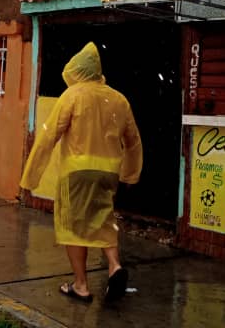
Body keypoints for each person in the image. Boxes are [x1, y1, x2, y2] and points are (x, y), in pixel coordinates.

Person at [20, 42, 143, 303]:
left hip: (77, 172)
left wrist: (30, 177)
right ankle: (115, 266)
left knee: (74, 228)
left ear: (77, 72)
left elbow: (48, 136)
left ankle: (81, 285)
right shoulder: (119, 99)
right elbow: (133, 140)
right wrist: (130, 174)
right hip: (108, 173)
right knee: (103, 219)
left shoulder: (73, 95)